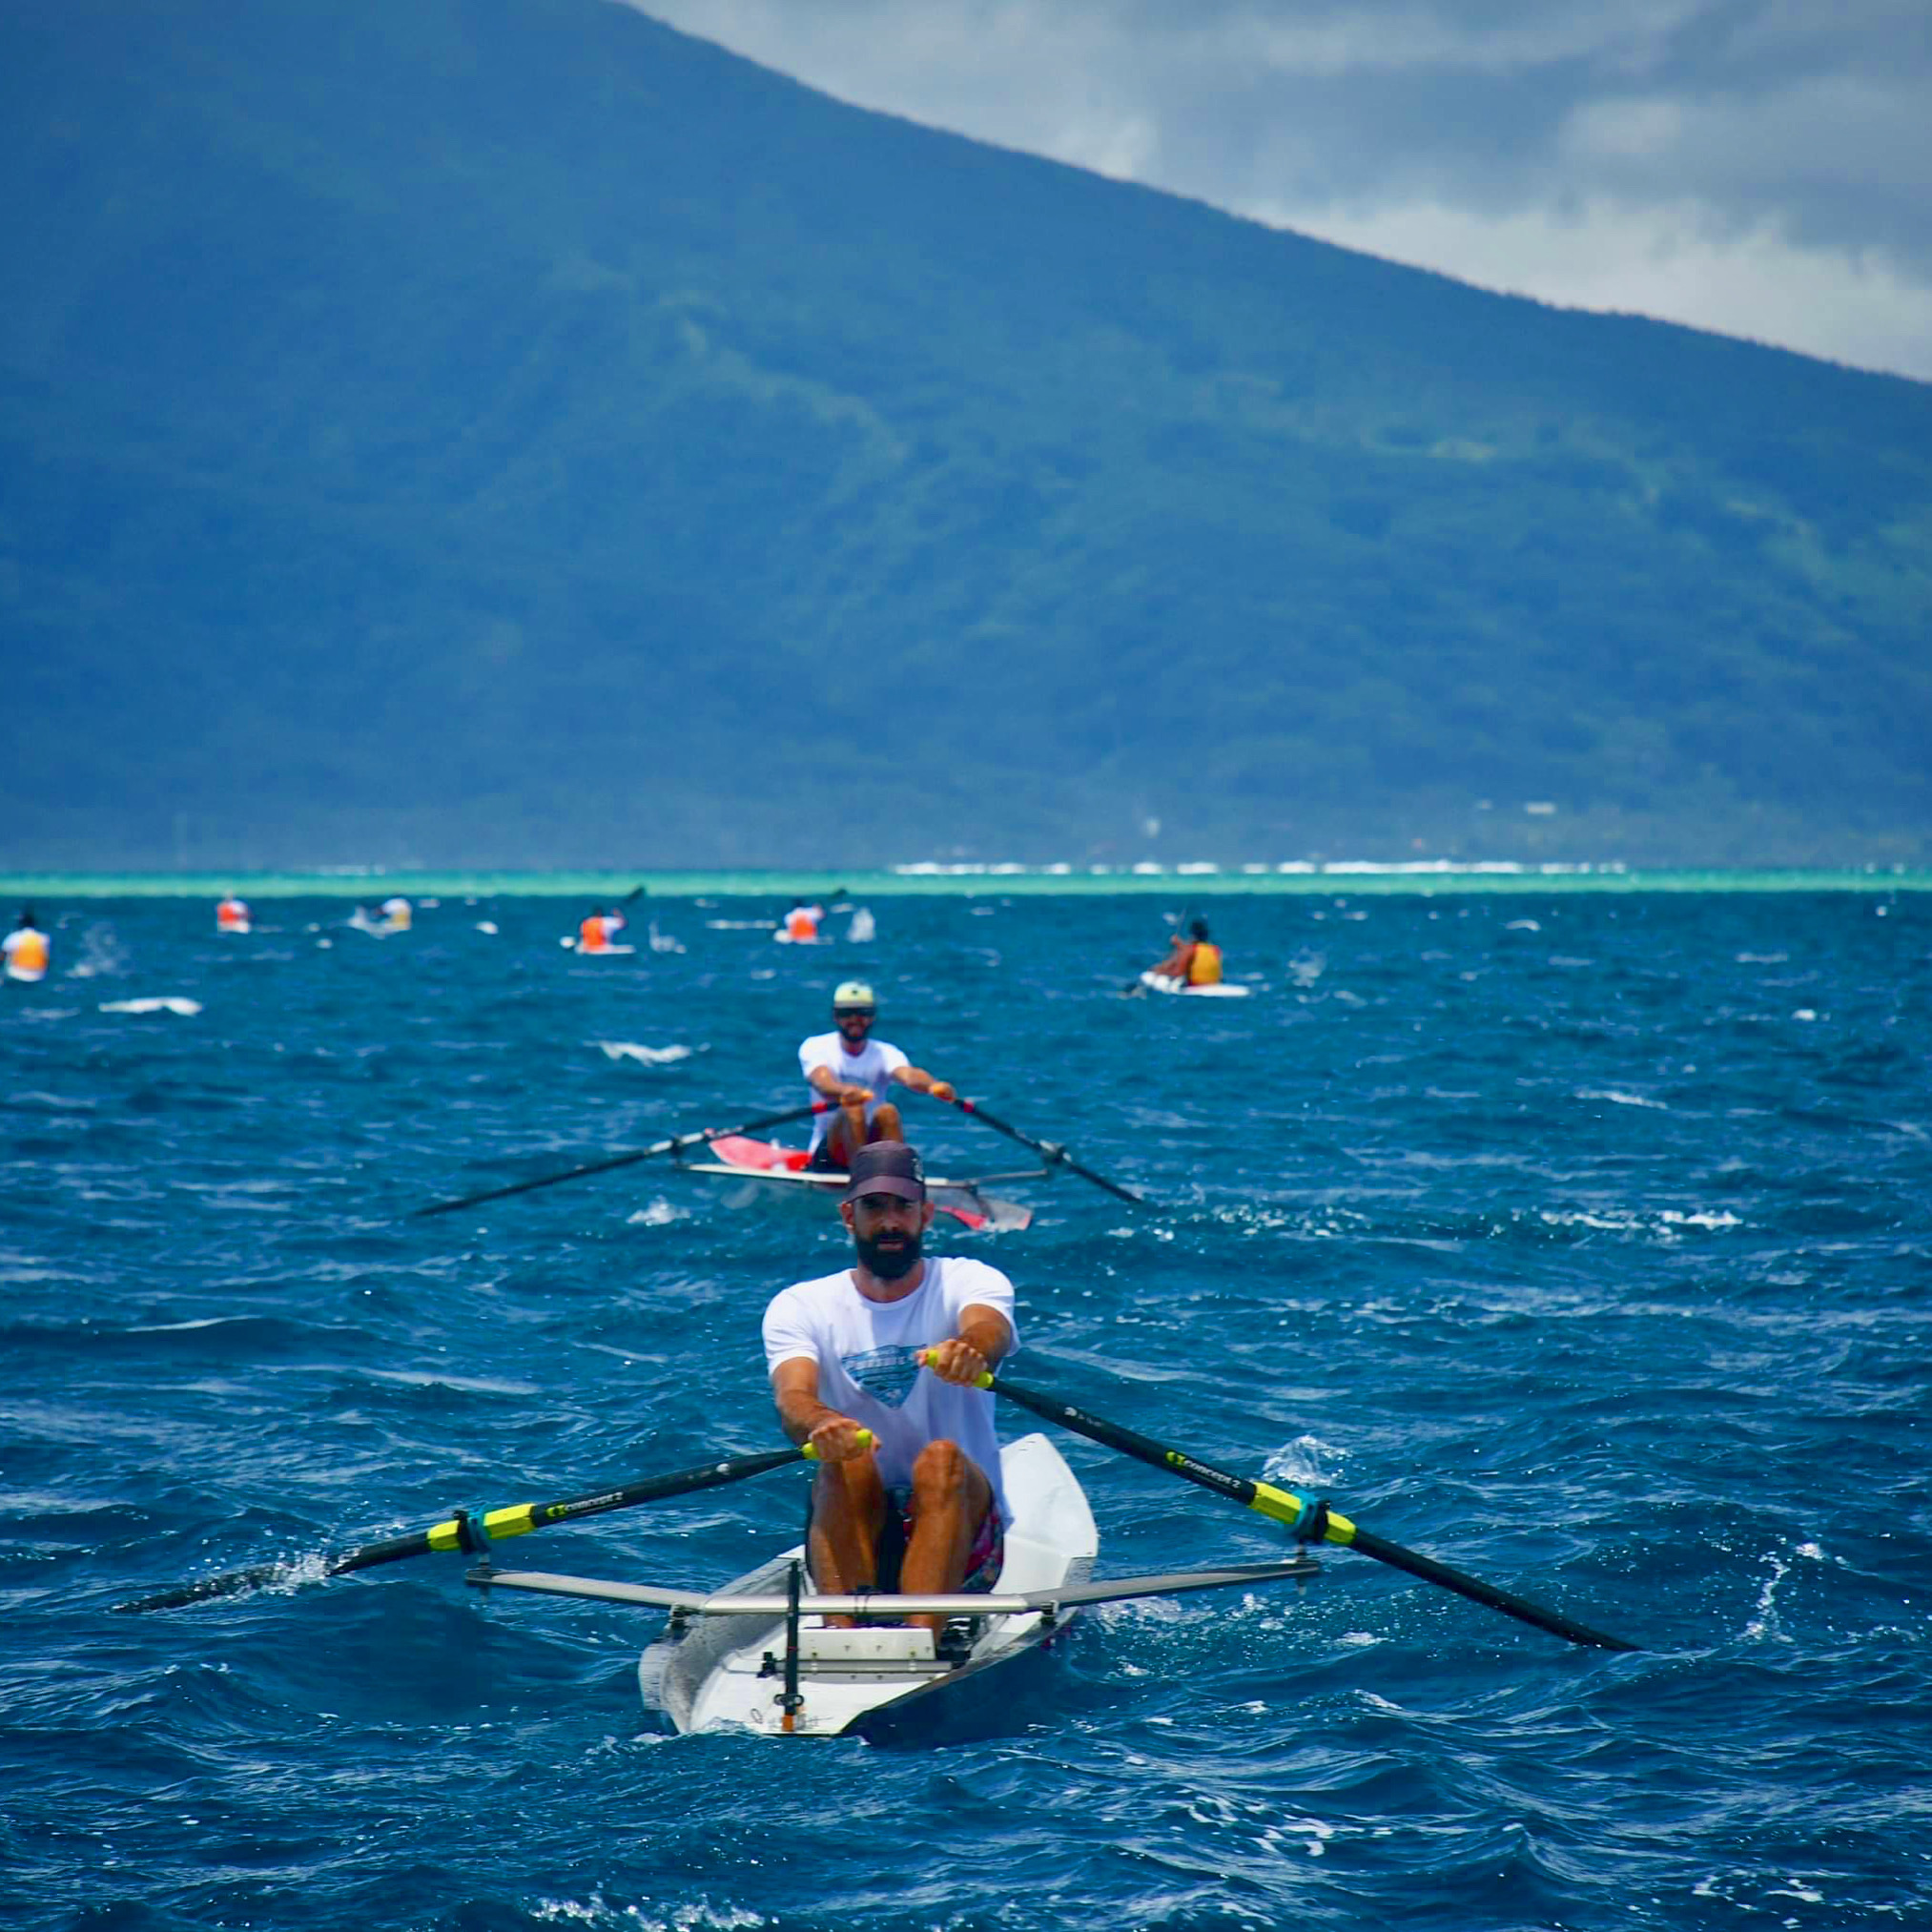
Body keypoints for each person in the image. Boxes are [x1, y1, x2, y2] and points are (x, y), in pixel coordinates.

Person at [764, 1141, 1015, 1636]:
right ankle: (841, 1639)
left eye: (903, 1206)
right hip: (857, 1519)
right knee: (847, 1459)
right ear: (848, 1216)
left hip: (966, 1537)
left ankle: (920, 1641)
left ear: (926, 1215)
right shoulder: (800, 1305)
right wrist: (820, 1425)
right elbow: (792, 1398)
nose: (890, 1221)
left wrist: (970, 1352)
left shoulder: (969, 1279)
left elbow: (991, 1330)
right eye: (874, 1206)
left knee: (941, 1459)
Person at [800, 981, 955, 1170]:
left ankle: (896, 1181)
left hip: (873, 1149)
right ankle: (863, 1182)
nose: (855, 1019)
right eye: (846, 1013)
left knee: (888, 1112)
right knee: (854, 1110)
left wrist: (933, 1086)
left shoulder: (885, 1052)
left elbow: (909, 1075)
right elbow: (822, 1083)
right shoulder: (815, 1046)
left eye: (863, 1013)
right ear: (835, 1016)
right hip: (829, 1155)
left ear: (872, 1017)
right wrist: (845, 1092)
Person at [1151, 915, 1223, 987]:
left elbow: (1178, 973)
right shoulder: (1216, 949)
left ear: (1192, 935)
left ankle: (1160, 968)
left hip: (1195, 986)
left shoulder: (1190, 950)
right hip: (1214, 984)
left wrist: (1162, 972)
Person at [3, 909, 50, 983]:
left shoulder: (14, 937)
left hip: (16, 974)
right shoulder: (44, 938)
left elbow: (2, 957)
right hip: (38, 975)